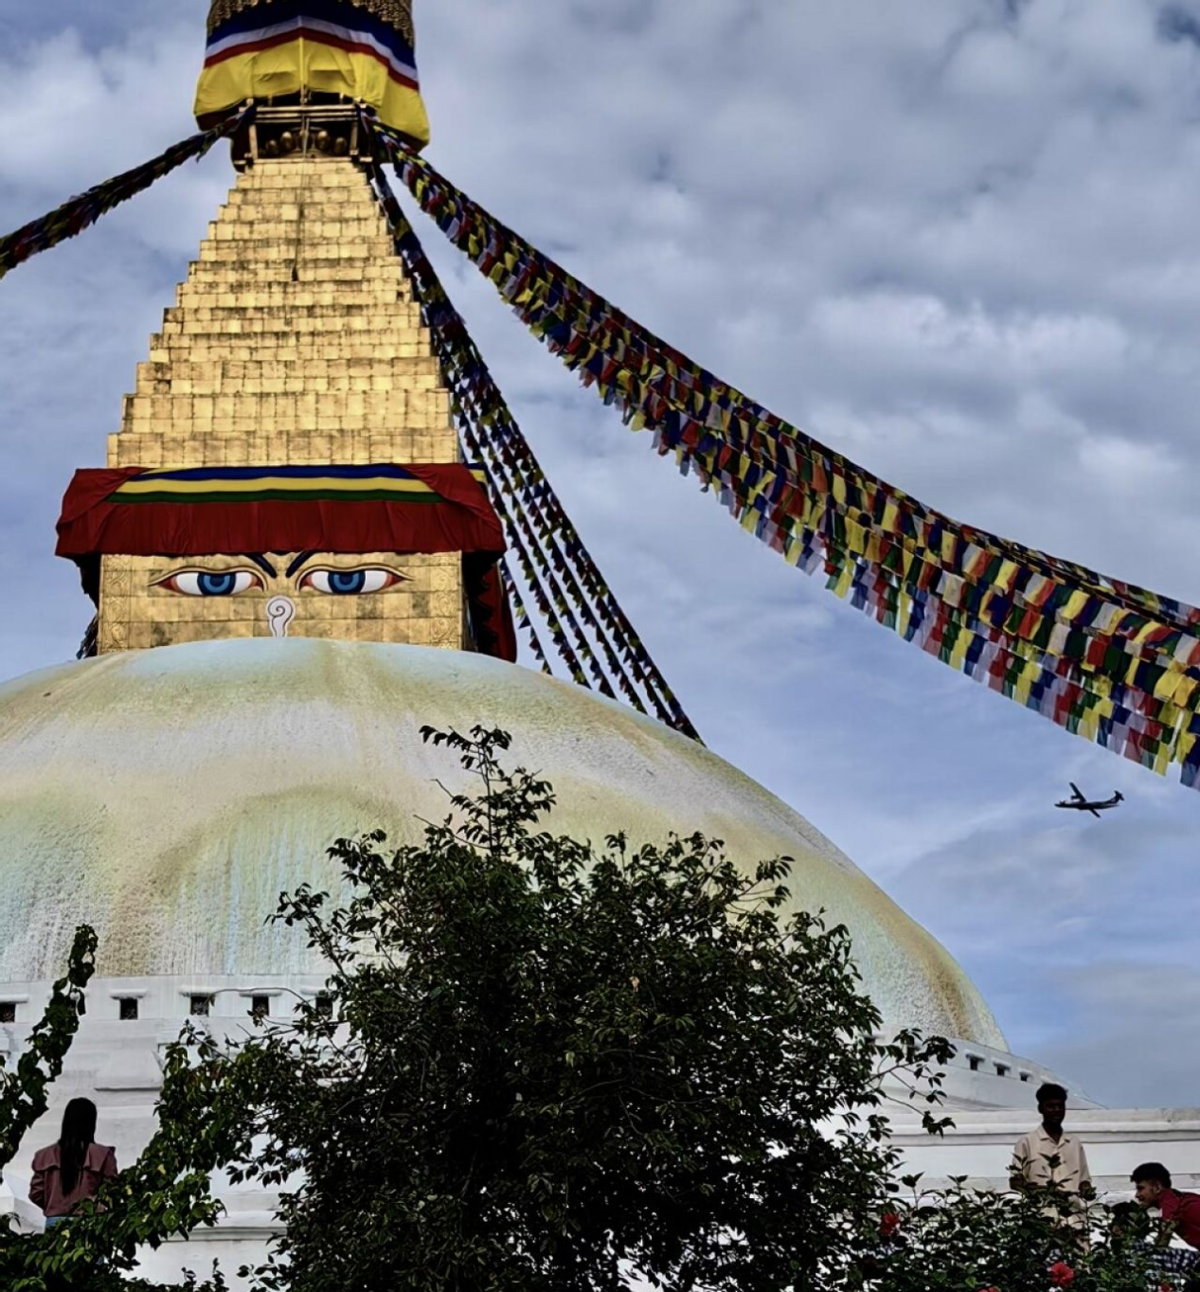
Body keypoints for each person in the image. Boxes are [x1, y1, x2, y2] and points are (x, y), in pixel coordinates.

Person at [1010, 1082, 1094, 1221]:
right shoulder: (1027, 1142)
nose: (1056, 1110)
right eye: (1051, 1106)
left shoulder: (1074, 1143)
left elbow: (1084, 1181)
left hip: (1074, 1220)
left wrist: (1087, 1191)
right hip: (1041, 1219)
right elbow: (1015, 1181)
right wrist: (1045, 1193)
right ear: (1040, 1108)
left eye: (1060, 1106)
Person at [29, 1097, 118, 1229]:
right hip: (89, 1224)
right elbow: (113, 1192)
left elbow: (36, 1194)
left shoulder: (44, 1156)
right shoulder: (103, 1155)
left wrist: (55, 1205)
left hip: (55, 1223)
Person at [1132, 1162, 1200, 1276]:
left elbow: (1161, 1246)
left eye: (1141, 1188)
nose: (1137, 1195)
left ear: (1157, 1187)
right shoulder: (1182, 1199)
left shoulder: (1170, 1205)